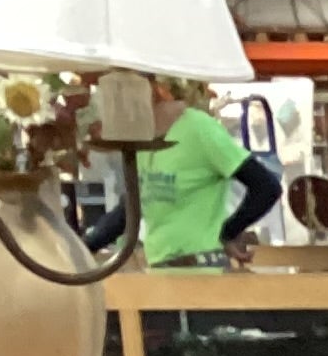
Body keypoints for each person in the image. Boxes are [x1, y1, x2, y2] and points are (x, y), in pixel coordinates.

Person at [83, 80, 280, 265]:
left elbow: (266, 187)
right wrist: (84, 247)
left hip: (202, 270)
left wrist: (226, 233)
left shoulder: (200, 129)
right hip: (161, 271)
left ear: (155, 90)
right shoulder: (144, 139)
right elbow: (129, 210)